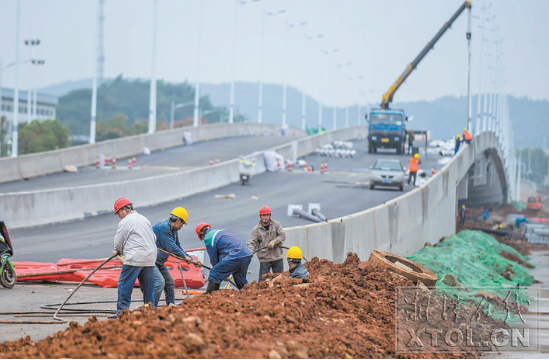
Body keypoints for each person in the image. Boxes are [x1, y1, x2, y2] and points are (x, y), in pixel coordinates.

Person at [112, 198, 157, 316]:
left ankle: (122, 313)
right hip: (150, 257)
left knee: (124, 285)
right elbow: (154, 238)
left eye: (118, 213)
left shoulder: (125, 221)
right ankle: (150, 312)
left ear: (123, 210)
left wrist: (119, 251)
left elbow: (118, 242)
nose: (119, 216)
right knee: (148, 289)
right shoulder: (144, 219)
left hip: (135, 257)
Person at [153, 207, 201, 307]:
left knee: (169, 283)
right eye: (182, 224)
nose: (182, 226)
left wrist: (191, 259)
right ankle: (150, 308)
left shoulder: (173, 230)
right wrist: (184, 256)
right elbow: (171, 247)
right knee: (159, 283)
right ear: (178, 221)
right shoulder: (163, 227)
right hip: (150, 261)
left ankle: (171, 306)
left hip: (158, 262)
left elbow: (178, 246)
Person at [196, 222, 253, 294]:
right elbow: (224, 253)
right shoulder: (221, 232)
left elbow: (213, 259)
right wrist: (225, 271)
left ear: (201, 234)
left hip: (236, 255)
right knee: (240, 278)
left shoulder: (208, 237)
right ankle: (250, 295)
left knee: (214, 272)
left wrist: (221, 272)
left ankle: (210, 296)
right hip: (246, 254)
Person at [249, 205, 286, 282]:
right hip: (264, 258)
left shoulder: (276, 225)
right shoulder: (256, 229)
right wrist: (250, 252)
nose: (265, 217)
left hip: (277, 256)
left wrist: (274, 241)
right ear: (260, 216)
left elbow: (282, 235)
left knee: (280, 279)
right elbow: (253, 243)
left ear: (270, 216)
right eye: (263, 215)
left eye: (267, 215)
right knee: (263, 281)